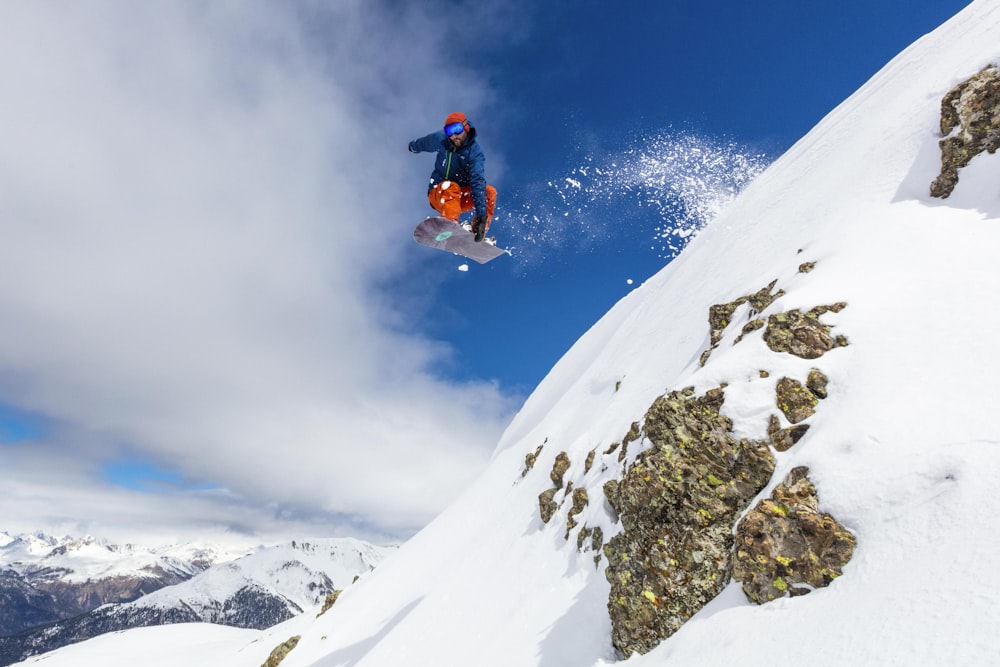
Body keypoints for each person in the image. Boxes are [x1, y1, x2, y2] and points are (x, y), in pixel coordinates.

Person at [408, 112, 497, 242]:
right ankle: (449, 224)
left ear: (466, 128)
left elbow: (477, 181)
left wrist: (481, 216)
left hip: (459, 197)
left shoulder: (475, 153)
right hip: (439, 193)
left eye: (457, 129)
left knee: (489, 192)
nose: (453, 135)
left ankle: (478, 231)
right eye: (449, 131)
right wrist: (412, 147)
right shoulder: (441, 139)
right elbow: (424, 143)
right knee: (451, 186)